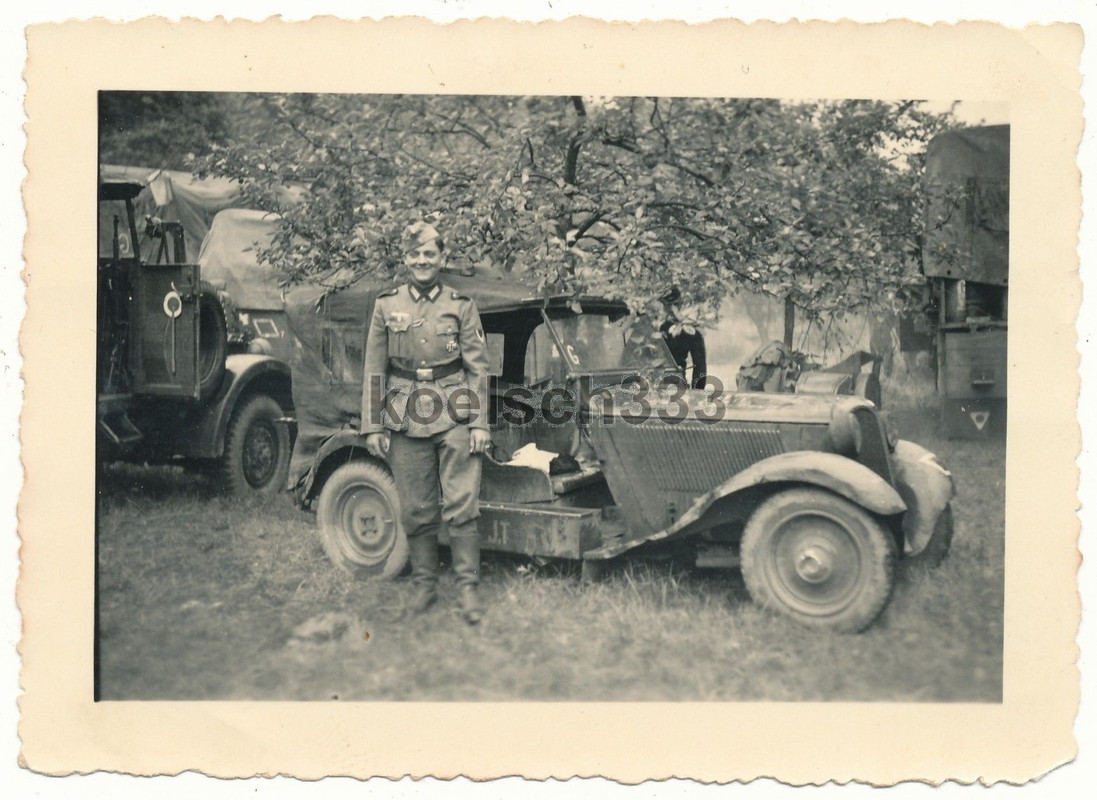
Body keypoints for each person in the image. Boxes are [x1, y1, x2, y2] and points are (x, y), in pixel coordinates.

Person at [360, 221, 492, 625]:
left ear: (442, 258)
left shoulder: (460, 305)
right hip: (404, 413)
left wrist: (479, 423)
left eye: (430, 254)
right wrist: (374, 425)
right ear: (405, 259)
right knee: (416, 505)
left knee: (462, 502)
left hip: (454, 409)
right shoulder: (386, 305)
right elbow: (374, 368)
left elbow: (477, 367)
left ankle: (468, 590)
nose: (422, 260)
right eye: (415, 254)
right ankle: (425, 586)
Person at [659, 288, 708, 390]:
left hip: (676, 385)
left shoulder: (691, 331)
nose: (666, 309)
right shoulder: (661, 327)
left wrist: (697, 392)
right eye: (666, 306)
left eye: (669, 306)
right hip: (656, 383)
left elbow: (700, 367)